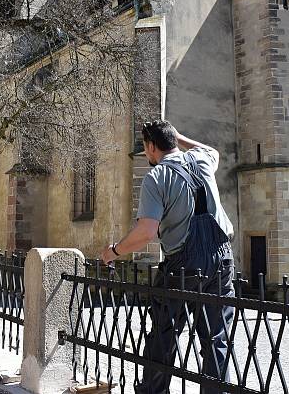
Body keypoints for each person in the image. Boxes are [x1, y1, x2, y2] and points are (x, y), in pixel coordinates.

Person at [100, 120, 235, 393]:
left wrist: (113, 251)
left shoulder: (157, 177)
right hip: (223, 258)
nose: (145, 153)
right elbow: (212, 150)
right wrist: (179, 136)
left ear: (151, 147)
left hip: (183, 264)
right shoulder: (200, 160)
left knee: (164, 334)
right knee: (216, 338)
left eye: (144, 147)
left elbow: (146, 232)